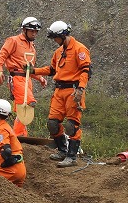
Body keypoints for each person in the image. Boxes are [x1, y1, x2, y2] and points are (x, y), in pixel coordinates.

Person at [32, 20, 92, 168]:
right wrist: (33, 70)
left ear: (63, 35)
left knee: (72, 125)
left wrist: (81, 89)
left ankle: (71, 157)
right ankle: (62, 151)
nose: (54, 41)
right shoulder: (58, 52)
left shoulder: (80, 49)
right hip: (59, 90)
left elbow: (86, 71)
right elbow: (52, 70)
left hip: (73, 90)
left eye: (55, 38)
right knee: (52, 123)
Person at [0, 17, 47, 138]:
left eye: (36, 31)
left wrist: (40, 78)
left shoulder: (32, 47)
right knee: (29, 102)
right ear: (24, 30)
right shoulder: (13, 40)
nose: (34, 33)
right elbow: (1, 55)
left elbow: (30, 69)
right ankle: (17, 135)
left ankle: (20, 134)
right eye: (32, 31)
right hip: (17, 78)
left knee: (22, 110)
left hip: (27, 80)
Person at [0, 98, 26, 186]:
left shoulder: (1, 129)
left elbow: (7, 151)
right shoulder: (6, 127)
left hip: (10, 169)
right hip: (20, 168)